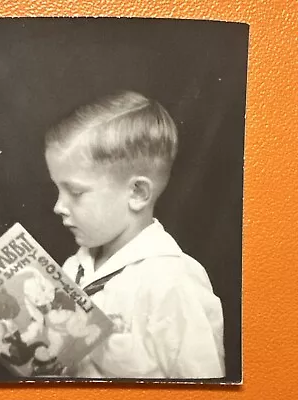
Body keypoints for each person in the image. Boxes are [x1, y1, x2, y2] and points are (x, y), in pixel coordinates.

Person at [44, 90, 225, 379]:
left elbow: (203, 385)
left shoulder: (173, 282)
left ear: (138, 193)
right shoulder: (71, 269)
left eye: (75, 192)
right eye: (58, 189)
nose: (58, 207)